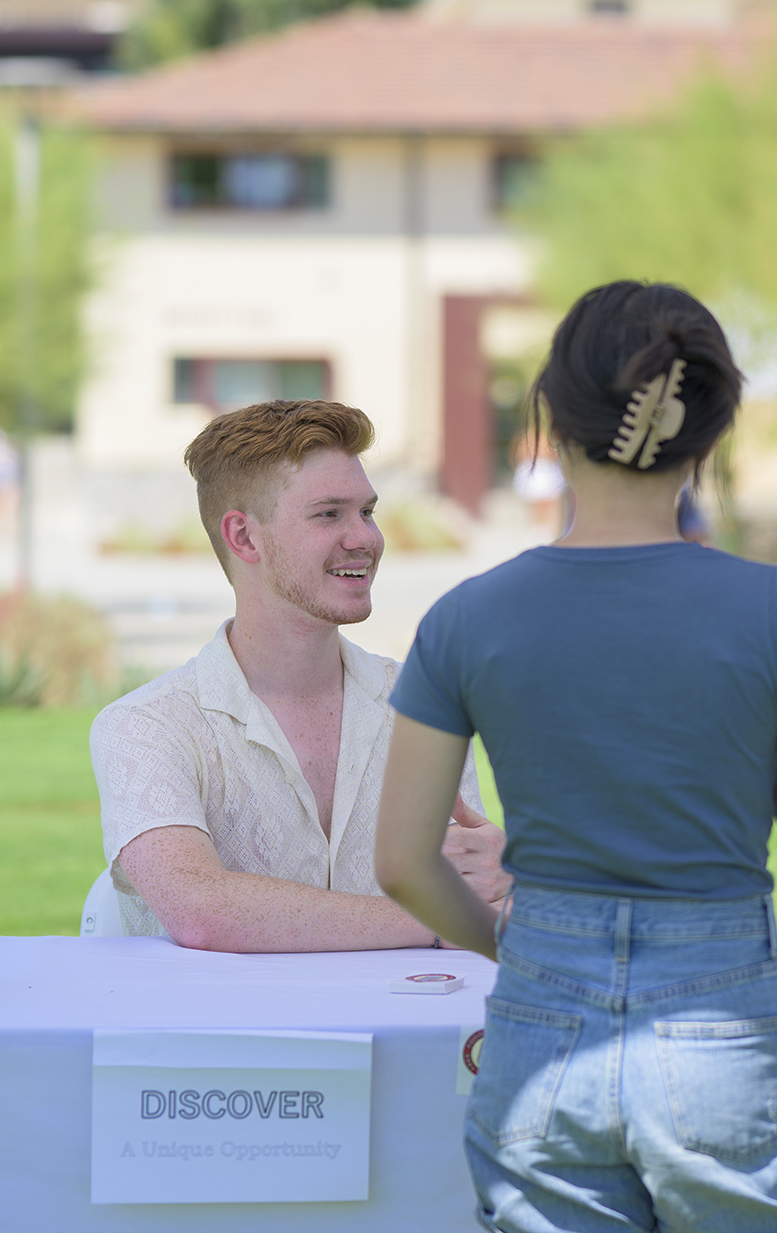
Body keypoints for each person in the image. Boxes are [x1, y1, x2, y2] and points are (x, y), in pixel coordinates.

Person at [377, 281, 777, 1233]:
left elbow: (401, 860)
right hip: (724, 1018)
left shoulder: (468, 617)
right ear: (712, 431)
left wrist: (516, 947)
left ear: (550, 420)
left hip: (538, 1025)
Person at [89, 399, 509, 950]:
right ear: (243, 537)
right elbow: (200, 910)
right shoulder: (145, 726)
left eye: (368, 511)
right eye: (329, 514)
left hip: (392, 1029)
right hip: (219, 1035)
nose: (366, 538)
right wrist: (441, 920)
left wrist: (507, 877)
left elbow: (479, 891)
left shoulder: (425, 706)